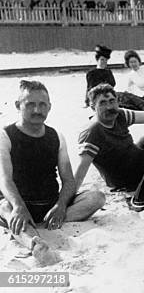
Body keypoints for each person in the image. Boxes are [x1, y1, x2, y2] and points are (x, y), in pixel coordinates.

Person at [0, 81, 105, 264]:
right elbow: (4, 179)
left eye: (42, 105)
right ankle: (35, 245)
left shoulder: (56, 136)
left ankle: (38, 226)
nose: (37, 110)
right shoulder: (5, 135)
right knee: (4, 207)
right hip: (19, 205)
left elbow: (69, 180)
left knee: (97, 197)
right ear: (18, 106)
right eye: (30, 104)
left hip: (49, 206)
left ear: (49, 107)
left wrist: (61, 205)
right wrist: (18, 206)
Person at [74, 84, 144, 192]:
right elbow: (80, 172)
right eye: (103, 103)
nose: (109, 107)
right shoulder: (92, 131)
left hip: (143, 161)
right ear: (93, 107)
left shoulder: (119, 115)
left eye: (112, 101)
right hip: (128, 179)